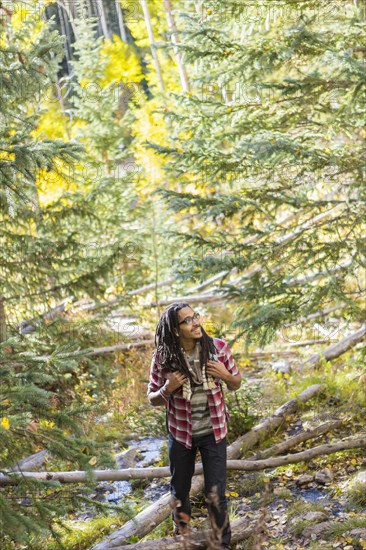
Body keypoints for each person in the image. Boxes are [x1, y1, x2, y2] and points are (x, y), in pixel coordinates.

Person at [147, 302, 242, 550]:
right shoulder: (163, 358)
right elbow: (152, 399)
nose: (196, 322)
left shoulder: (218, 348)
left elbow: (236, 383)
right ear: (175, 330)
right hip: (181, 435)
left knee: (216, 494)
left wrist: (225, 375)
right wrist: (167, 389)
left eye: (195, 317)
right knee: (179, 491)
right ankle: (184, 537)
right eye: (187, 320)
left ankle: (221, 545)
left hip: (214, 432)